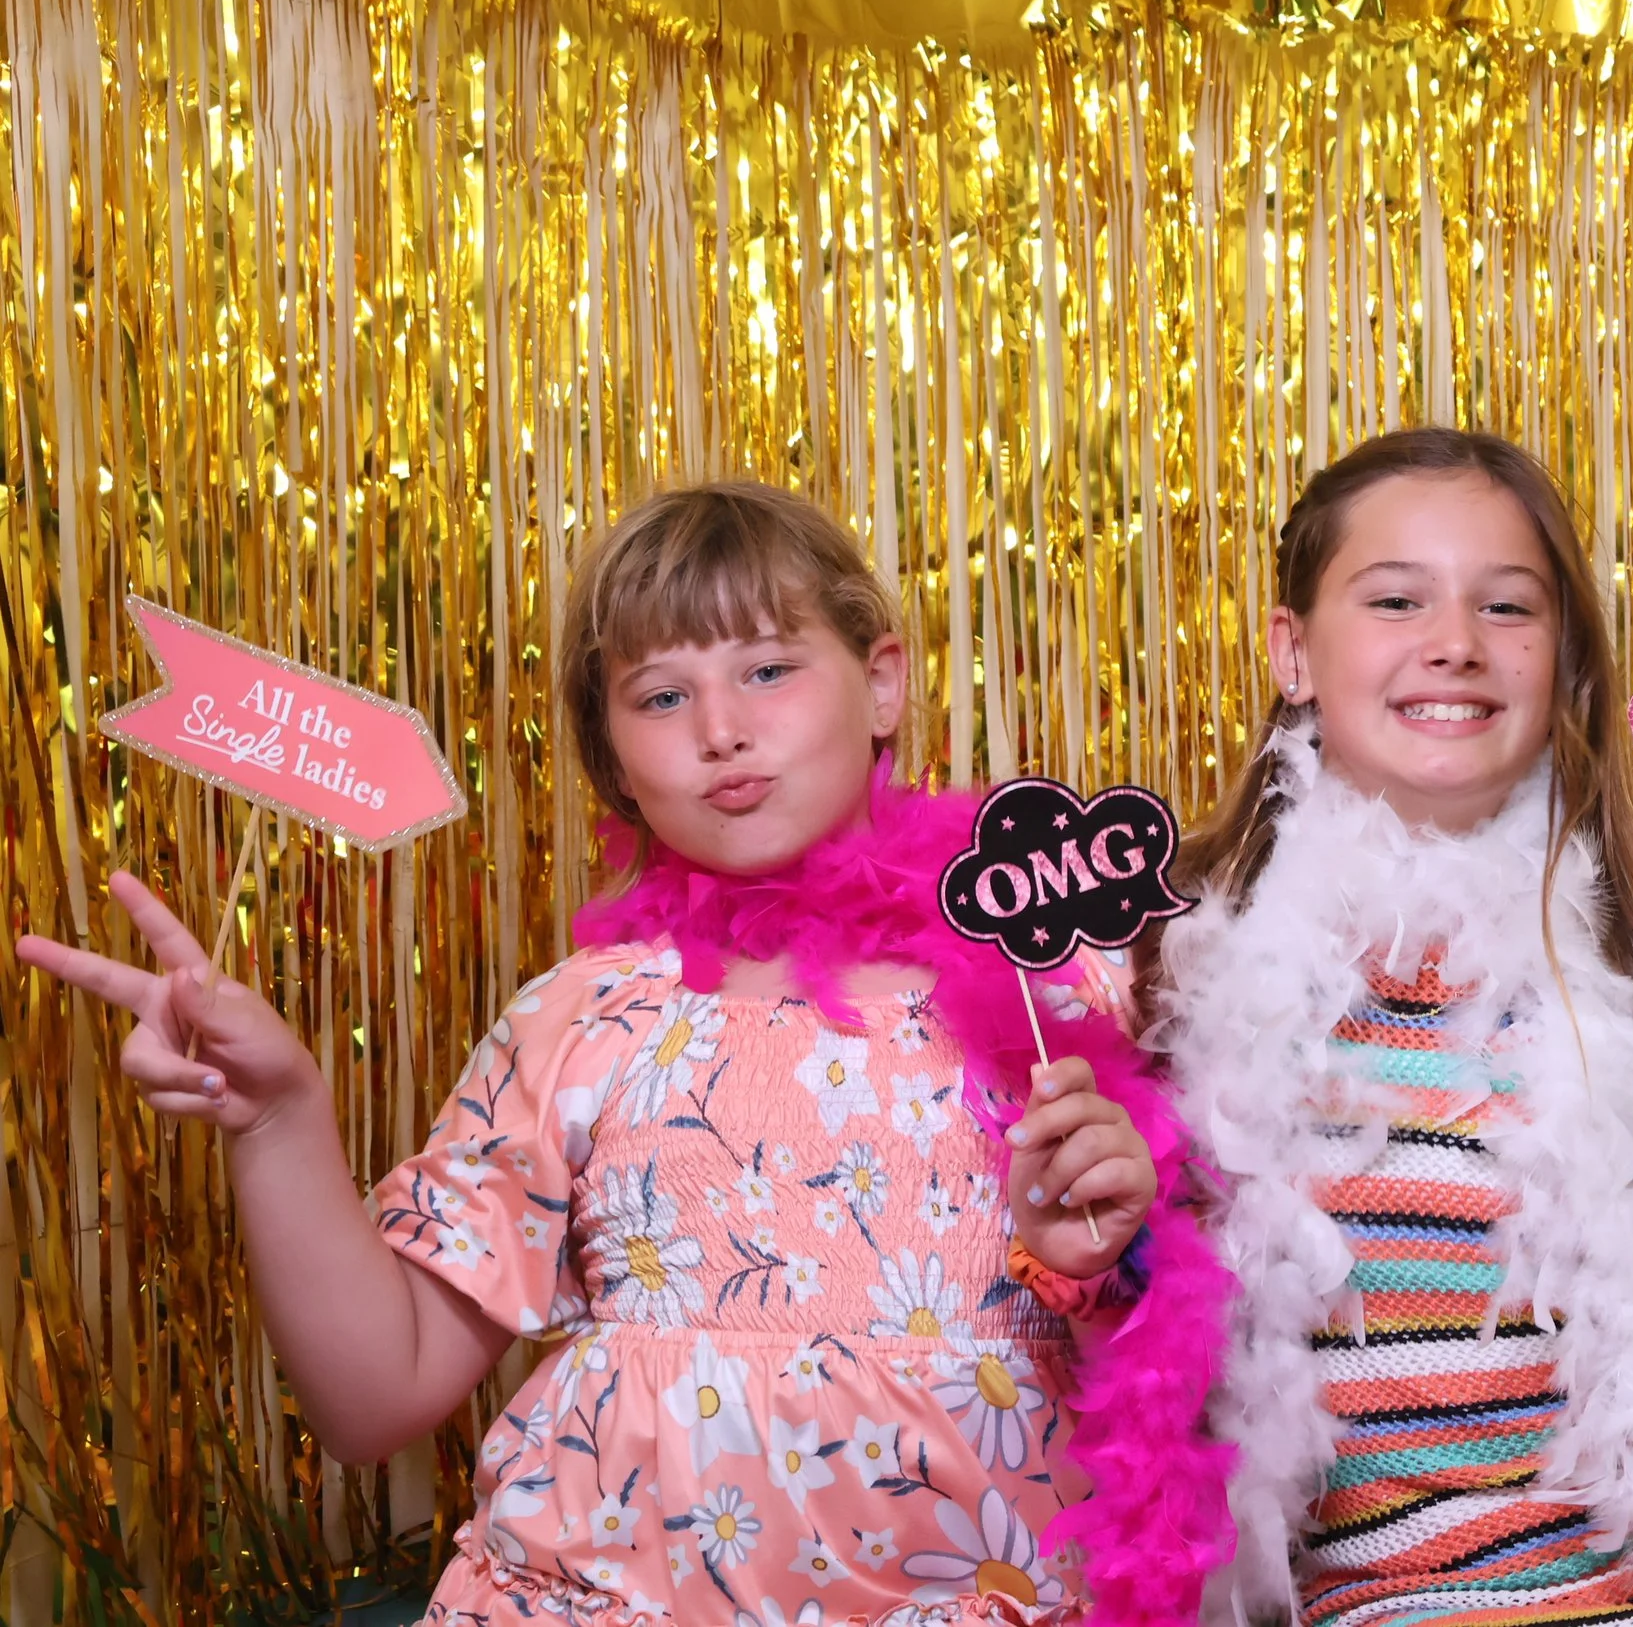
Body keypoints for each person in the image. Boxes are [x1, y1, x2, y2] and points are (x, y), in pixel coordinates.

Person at [17, 482, 1230, 1627]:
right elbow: (376, 1393)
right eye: (659, 697)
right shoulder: (582, 1017)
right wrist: (278, 1118)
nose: (721, 730)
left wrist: (1095, 1264)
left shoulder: (1060, 981)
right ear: (611, 755)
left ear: (881, 682)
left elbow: (1206, 1381)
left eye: (768, 668)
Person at [1148, 429, 1633, 1626]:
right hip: (1404, 1586)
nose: (1454, 640)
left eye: (1506, 605)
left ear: (1561, 660)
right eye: (1396, 598)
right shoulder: (1181, 965)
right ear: (1291, 649)